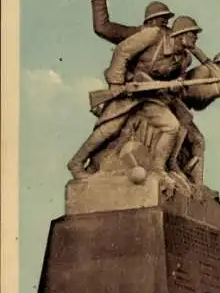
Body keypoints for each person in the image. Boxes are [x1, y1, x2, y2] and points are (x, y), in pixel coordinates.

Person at [67, 16, 202, 184]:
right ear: (182, 34)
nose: (196, 38)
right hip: (130, 92)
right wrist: (116, 83)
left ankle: (159, 169)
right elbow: (122, 51)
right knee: (110, 128)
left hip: (151, 98)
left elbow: (180, 77)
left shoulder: (185, 58)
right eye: (193, 34)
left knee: (172, 126)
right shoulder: (154, 36)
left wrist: (177, 84)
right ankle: (76, 163)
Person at [92, 0, 174, 46]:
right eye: (162, 19)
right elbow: (102, 28)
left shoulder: (171, 37)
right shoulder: (136, 34)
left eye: (167, 19)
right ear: (150, 21)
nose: (166, 22)